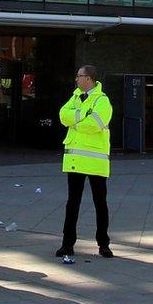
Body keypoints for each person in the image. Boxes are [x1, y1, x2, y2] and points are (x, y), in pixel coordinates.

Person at [56, 65, 114, 261]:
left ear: (88, 78)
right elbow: (62, 115)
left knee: (100, 203)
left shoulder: (102, 100)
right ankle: (67, 244)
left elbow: (95, 124)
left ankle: (103, 244)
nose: (76, 79)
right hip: (75, 161)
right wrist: (82, 116)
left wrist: (74, 120)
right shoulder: (75, 97)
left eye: (79, 76)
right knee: (72, 203)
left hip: (96, 162)